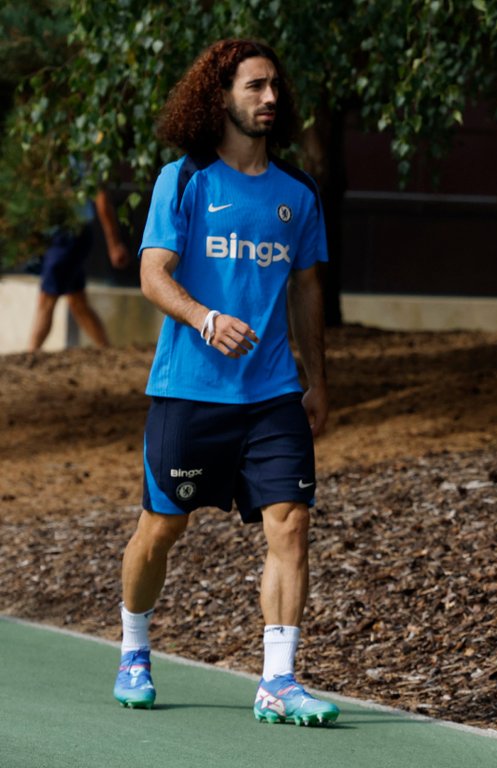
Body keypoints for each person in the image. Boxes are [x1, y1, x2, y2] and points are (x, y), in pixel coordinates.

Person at [112, 39, 337, 726]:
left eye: (275, 87)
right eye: (253, 87)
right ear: (220, 96)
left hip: (273, 396)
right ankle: (134, 647)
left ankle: (278, 679)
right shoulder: (184, 180)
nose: (269, 98)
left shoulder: (298, 193)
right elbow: (153, 273)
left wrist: (317, 379)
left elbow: (306, 288)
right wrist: (205, 319)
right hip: (189, 392)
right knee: (161, 529)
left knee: (290, 525)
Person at [26, 188, 132, 353]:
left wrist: (114, 244)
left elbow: (102, 199)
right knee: (77, 301)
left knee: (46, 298)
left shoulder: (81, 171)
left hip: (71, 235)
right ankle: (107, 351)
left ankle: (30, 354)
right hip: (54, 236)